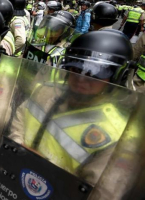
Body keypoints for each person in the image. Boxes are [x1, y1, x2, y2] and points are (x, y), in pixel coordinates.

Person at [10, 30, 134, 186]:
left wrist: (42, 168)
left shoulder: (116, 134)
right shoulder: (44, 90)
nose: (81, 79)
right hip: (13, 176)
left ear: (118, 76)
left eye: (94, 74)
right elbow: (20, 117)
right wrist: (19, 147)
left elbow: (98, 188)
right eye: (76, 69)